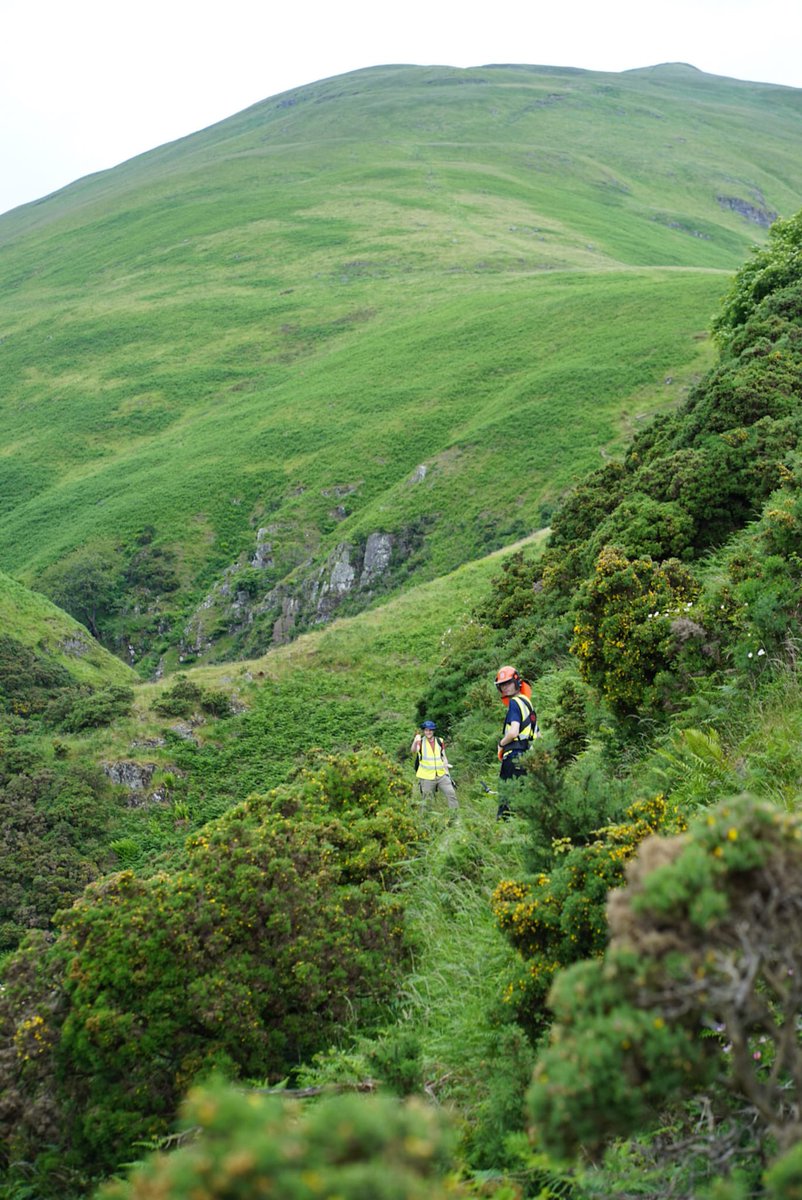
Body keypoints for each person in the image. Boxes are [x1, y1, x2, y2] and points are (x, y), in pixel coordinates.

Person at [494, 665, 538, 819]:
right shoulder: (528, 704)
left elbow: (513, 731)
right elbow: (537, 735)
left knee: (506, 800)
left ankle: (501, 833)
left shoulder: (514, 703)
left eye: (507, 683)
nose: (505, 688)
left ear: (517, 682)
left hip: (513, 755)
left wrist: (501, 744)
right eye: (502, 685)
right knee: (520, 797)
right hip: (525, 756)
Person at [410, 720, 458, 813]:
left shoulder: (440, 741)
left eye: (430, 730)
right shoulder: (420, 742)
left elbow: (444, 758)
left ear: (433, 731)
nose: (428, 732)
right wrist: (415, 741)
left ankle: (455, 819)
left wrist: (447, 774)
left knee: (451, 794)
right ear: (424, 731)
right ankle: (426, 822)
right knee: (427, 801)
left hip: (441, 775)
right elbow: (413, 750)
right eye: (426, 730)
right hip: (427, 777)